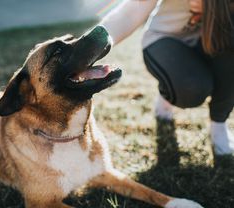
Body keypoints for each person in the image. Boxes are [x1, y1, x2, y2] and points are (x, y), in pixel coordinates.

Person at [99, 0, 234, 155]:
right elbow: (131, 11)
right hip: (164, 38)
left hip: (208, 43)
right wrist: (94, 44)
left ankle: (219, 125)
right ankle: (167, 91)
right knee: (192, 89)